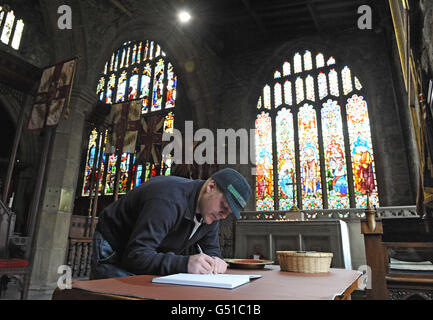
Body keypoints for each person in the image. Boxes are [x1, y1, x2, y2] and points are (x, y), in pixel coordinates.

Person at [89, 168, 252, 279]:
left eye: (228, 213)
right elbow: (135, 256)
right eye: (223, 207)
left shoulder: (210, 213)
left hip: (145, 252)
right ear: (210, 186)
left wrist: (217, 261)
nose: (223, 216)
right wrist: (185, 263)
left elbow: (212, 250)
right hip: (114, 246)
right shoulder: (168, 200)